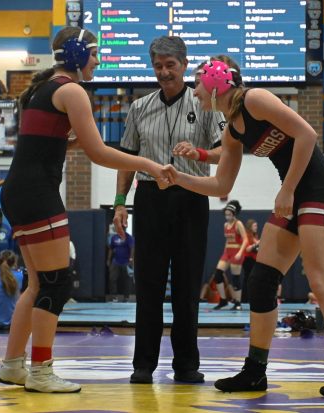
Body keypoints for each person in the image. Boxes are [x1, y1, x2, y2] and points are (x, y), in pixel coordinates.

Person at [165, 55, 324, 397]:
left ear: (215, 83)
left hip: (319, 190)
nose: (195, 93)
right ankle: (255, 371)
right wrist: (177, 178)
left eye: (197, 84)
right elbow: (220, 186)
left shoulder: (256, 98)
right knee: (260, 280)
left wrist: (287, 189)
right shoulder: (232, 131)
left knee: (319, 279)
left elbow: (306, 134)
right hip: (294, 193)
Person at [0, 26, 169, 394]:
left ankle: (13, 365)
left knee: (39, 282)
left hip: (19, 190)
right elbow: (99, 152)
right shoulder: (72, 91)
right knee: (56, 283)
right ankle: (41, 371)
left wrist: (79, 142)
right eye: (93, 53)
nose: (98, 60)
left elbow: (52, 144)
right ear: (76, 55)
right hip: (37, 193)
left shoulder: (41, 90)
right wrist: (149, 165)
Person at [112, 36, 225, 385]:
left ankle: (186, 365)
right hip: (149, 198)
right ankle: (142, 365)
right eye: (158, 66)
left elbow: (227, 154)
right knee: (148, 286)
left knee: (187, 287)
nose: (163, 72)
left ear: (184, 64)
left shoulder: (206, 103)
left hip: (191, 197)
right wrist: (120, 203)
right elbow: (127, 159)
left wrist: (200, 154)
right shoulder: (139, 107)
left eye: (170, 65)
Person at [212, 200, 248, 311]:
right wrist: (224, 253)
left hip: (237, 252)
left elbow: (245, 240)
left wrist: (240, 253)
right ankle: (223, 300)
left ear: (234, 214)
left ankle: (238, 303)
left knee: (235, 279)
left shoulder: (239, 224)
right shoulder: (226, 225)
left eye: (229, 214)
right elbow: (227, 241)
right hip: (227, 252)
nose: (227, 217)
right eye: (226, 214)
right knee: (217, 275)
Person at [107, 229, 134, 301]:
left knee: (126, 279)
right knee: (112, 278)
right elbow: (111, 249)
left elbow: (132, 248)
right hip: (115, 261)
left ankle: (126, 297)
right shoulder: (114, 237)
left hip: (126, 262)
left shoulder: (128, 237)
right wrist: (108, 260)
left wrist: (131, 259)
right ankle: (114, 297)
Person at [242, 219, 260, 304]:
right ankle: (245, 298)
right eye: (255, 226)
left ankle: (250, 297)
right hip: (248, 260)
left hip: (254, 259)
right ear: (250, 227)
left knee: (252, 279)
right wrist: (257, 244)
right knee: (248, 279)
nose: (256, 227)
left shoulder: (255, 236)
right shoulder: (247, 236)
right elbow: (248, 249)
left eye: (256, 226)